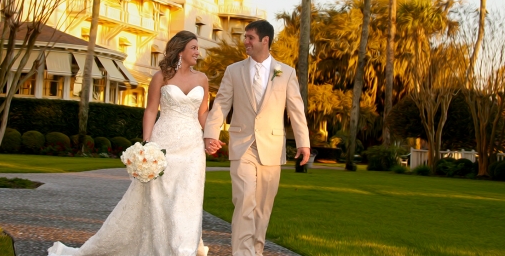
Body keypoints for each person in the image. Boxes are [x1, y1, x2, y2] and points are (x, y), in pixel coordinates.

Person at [49, 30, 211, 256]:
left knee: (188, 197)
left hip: (193, 146)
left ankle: (183, 249)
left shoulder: (202, 79)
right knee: (160, 198)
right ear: (180, 50)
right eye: (194, 47)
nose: (198, 52)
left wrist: (210, 136)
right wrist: (147, 146)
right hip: (165, 143)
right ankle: (161, 246)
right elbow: (151, 110)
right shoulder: (160, 77)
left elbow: (203, 113)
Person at [204, 20, 310, 256]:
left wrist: (304, 143)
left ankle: (256, 251)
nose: (246, 42)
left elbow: (296, 110)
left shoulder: (286, 72)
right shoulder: (234, 70)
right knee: (244, 201)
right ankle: (242, 253)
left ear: (265, 41)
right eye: (245, 37)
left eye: (250, 37)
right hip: (242, 146)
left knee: (263, 208)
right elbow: (221, 103)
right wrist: (210, 133)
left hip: (272, 147)